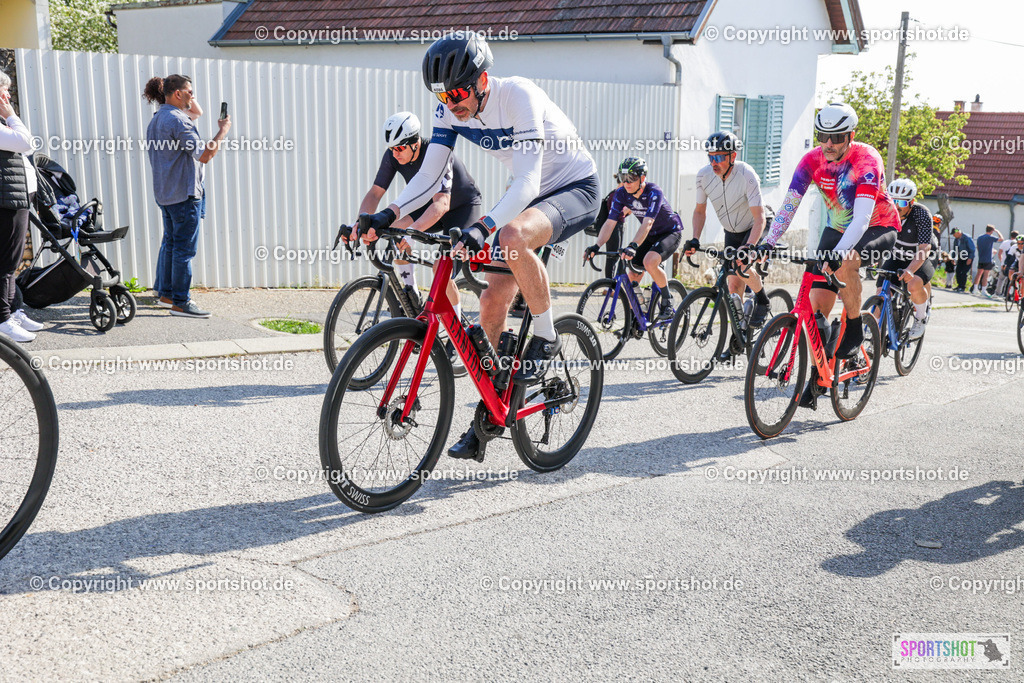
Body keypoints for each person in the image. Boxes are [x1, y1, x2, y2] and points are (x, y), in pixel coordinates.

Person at [357, 33, 600, 461]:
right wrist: (388, 214)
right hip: (526, 196)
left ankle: (546, 337)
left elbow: (527, 181)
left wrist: (484, 225)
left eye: (456, 93)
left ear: (482, 80)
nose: (450, 103)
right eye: (441, 96)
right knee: (490, 301)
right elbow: (429, 175)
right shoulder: (448, 108)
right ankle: (492, 407)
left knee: (511, 236)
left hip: (573, 188)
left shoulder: (519, 96)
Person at [759, 102, 898, 409]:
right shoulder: (812, 160)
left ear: (851, 136)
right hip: (836, 228)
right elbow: (789, 206)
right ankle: (820, 373)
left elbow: (862, 219)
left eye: (837, 137)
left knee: (846, 262)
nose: (829, 143)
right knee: (816, 305)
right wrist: (768, 242)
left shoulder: (866, 159)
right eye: (823, 136)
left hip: (877, 225)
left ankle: (854, 328)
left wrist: (837, 254)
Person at [350, 111, 483, 321]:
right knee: (395, 234)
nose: (395, 154)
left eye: (400, 148)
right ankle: (412, 295)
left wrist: (413, 232)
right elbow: (375, 193)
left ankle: (458, 326)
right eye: (391, 148)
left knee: (441, 269)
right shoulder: (394, 155)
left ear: (415, 143)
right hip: (428, 205)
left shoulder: (437, 153)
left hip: (461, 207)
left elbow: (442, 204)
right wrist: (361, 223)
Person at [145, 74, 231, 318]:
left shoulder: (157, 119)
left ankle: (167, 295)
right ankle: (181, 303)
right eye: (190, 92)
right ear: (177, 93)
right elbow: (204, 155)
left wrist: (186, 97)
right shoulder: (178, 121)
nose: (193, 96)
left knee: (172, 244)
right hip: (184, 193)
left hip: (166, 193)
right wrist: (222, 131)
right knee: (184, 250)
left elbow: (195, 112)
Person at [686, 130, 771, 336]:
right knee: (733, 285)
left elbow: (760, 218)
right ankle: (738, 336)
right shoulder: (704, 176)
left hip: (756, 225)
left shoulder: (746, 174)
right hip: (732, 230)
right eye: (710, 157)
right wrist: (695, 239)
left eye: (719, 157)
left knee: (741, 266)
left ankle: (763, 300)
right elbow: (699, 211)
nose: (713, 162)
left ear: (733, 156)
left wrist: (750, 247)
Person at [584, 157, 683, 322]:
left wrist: (633, 245)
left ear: (642, 178)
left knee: (649, 262)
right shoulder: (621, 193)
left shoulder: (654, 191)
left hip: (670, 232)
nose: (626, 182)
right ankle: (635, 320)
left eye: (631, 178)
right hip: (650, 235)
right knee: (631, 277)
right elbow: (610, 223)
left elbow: (648, 222)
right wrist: (596, 245)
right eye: (623, 178)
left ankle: (667, 300)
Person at [0, 69, 44, 342]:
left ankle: (12, 311)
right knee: (5, 263)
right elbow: (27, 142)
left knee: (11, 262)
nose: (6, 97)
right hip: (6, 200)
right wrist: (11, 115)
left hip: (15, 197)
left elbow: (25, 150)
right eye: (3, 91)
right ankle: (3, 319)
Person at [876, 178, 934, 339]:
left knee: (913, 284)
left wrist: (910, 270)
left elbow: (924, 249)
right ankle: (872, 332)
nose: (896, 207)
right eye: (893, 201)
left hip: (919, 257)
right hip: (897, 256)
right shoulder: (884, 211)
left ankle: (921, 318)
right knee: (881, 293)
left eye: (901, 203)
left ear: (911, 202)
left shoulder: (921, 214)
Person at [973, 224, 1002, 295]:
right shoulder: (990, 237)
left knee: (979, 274)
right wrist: (997, 232)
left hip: (981, 258)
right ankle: (983, 290)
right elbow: (1001, 239)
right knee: (986, 274)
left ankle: (975, 289)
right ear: (992, 230)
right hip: (988, 259)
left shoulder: (980, 237)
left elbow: (978, 247)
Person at [951, 228, 974, 292]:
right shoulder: (956, 240)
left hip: (967, 257)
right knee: (958, 271)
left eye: (954, 234)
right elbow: (955, 249)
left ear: (958, 232)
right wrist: (953, 258)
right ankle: (959, 285)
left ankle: (962, 287)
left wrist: (970, 258)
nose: (953, 235)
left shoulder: (967, 238)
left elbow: (972, 249)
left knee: (964, 272)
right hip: (961, 257)